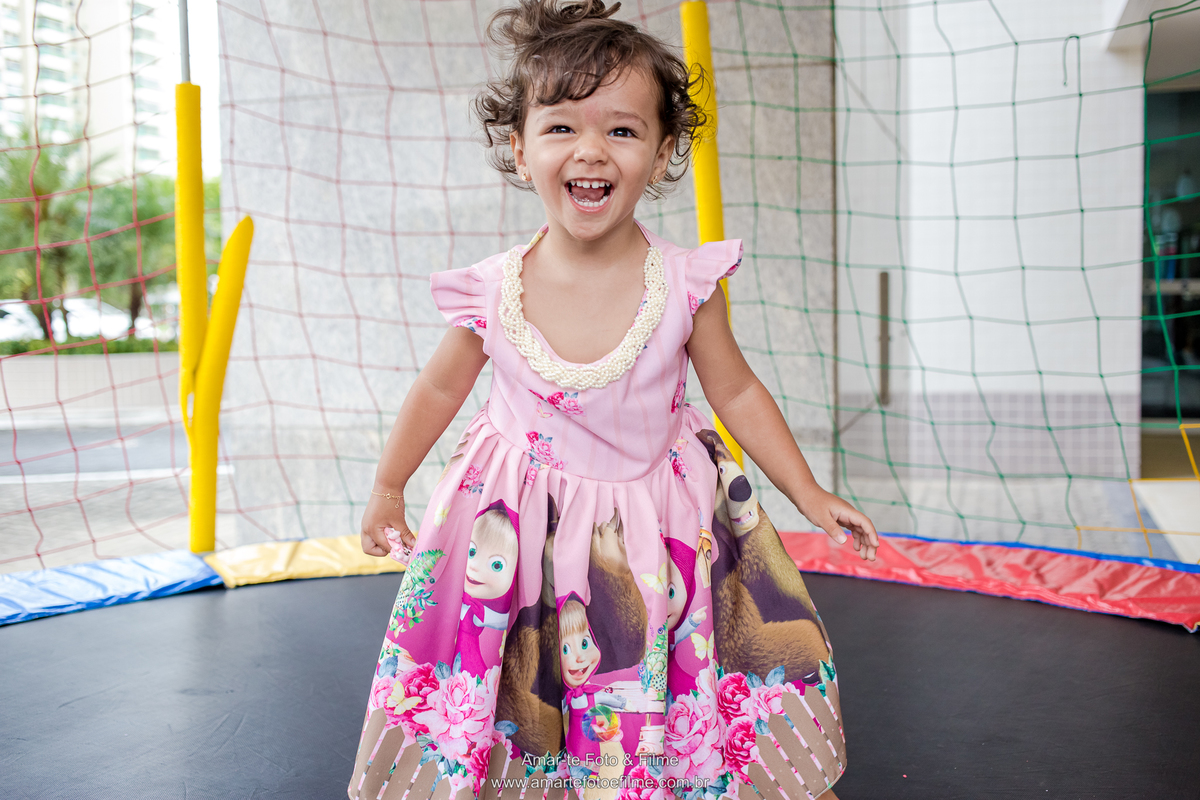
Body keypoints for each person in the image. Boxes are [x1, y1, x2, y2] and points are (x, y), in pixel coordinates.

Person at [349, 1, 877, 798]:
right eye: (560, 128)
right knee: (522, 679)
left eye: (622, 131)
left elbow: (734, 388)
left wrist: (807, 491)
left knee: (650, 677)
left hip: (653, 528)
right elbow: (439, 388)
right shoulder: (493, 290)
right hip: (518, 523)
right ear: (520, 150)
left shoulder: (686, 286)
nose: (590, 149)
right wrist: (390, 485)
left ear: (664, 152)